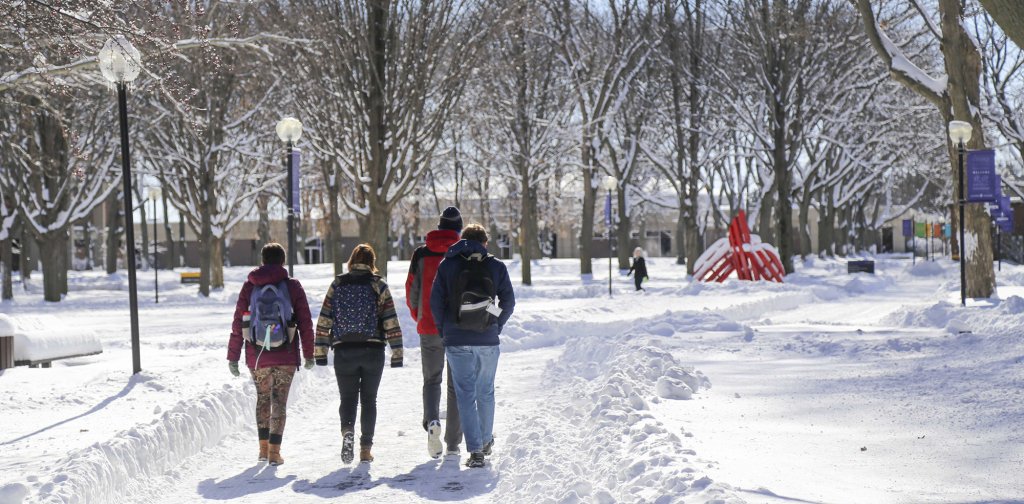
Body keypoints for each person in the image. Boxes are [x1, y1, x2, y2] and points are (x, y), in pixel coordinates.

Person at [430, 224, 515, 468]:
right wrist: (494, 322)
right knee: (485, 391)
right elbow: (509, 301)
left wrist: (443, 329)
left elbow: (435, 302)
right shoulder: (496, 265)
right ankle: (486, 440)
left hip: (456, 339)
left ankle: (476, 451)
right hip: (487, 339)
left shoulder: (447, 264)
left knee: (465, 394)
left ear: (462, 241)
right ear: (485, 243)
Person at [315, 244, 404, 464]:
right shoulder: (378, 285)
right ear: (372, 262)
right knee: (369, 400)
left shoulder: (338, 284)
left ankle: (347, 432)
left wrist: (321, 351)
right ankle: (365, 449)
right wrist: (397, 352)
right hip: (373, 350)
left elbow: (325, 318)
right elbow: (390, 319)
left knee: (348, 398)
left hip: (344, 350)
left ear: (351, 261)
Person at [227, 243, 315, 466]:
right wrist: (309, 353)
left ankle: (262, 450)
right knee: (280, 402)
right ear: (283, 261)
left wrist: (233, 356)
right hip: (285, 353)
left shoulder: (249, 286)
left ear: (263, 260)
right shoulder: (293, 286)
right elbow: (305, 322)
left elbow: (238, 322)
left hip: (257, 355)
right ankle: (275, 453)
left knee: (263, 398)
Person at [406, 207, 464, 459]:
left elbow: (411, 291)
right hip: (458, 327)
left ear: (439, 226)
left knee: (431, 380)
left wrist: (419, 316)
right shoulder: (462, 252)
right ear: (458, 229)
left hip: (429, 326)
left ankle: (431, 422)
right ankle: (453, 441)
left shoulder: (421, 253)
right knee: (455, 384)